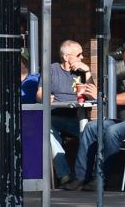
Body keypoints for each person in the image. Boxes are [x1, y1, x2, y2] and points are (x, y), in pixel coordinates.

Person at [62, 36, 125, 188]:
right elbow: (101, 93)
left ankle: (101, 179)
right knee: (91, 127)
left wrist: (102, 97)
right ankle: (81, 177)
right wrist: (89, 74)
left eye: (123, 53)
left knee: (112, 131)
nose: (121, 56)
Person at [47, 39, 97, 183]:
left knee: (87, 132)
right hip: (55, 116)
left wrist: (87, 71)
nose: (82, 57)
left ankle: (85, 175)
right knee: (48, 128)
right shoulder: (52, 70)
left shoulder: (80, 72)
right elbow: (40, 93)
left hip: (76, 118)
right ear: (66, 57)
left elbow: (91, 95)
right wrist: (44, 97)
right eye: (79, 54)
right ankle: (64, 175)